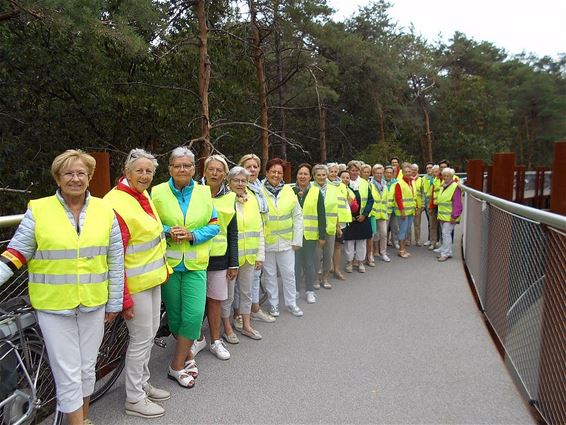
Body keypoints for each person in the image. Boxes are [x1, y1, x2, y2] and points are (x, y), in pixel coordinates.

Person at [0, 150, 123, 425]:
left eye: (81, 173)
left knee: (86, 368)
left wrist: (114, 301)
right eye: (68, 173)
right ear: (58, 178)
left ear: (90, 178)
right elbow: (15, 254)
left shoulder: (105, 210)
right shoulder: (40, 210)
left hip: (93, 303)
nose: (75, 178)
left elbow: (116, 259)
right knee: (67, 372)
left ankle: (84, 418)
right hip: (54, 306)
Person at [104, 149, 171, 419]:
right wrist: (124, 297)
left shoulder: (141, 195)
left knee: (150, 333)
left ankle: (142, 382)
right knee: (141, 339)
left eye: (149, 171)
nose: (145, 176)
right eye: (139, 171)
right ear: (127, 172)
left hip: (151, 279)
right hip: (134, 285)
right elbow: (115, 255)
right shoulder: (116, 202)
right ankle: (134, 398)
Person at [151, 147, 219, 387]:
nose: (182, 169)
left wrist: (192, 234)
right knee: (177, 318)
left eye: (187, 166)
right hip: (168, 265)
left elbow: (215, 225)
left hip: (195, 264)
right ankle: (186, 356)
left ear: (193, 169)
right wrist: (168, 231)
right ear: (170, 168)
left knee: (193, 316)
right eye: (177, 165)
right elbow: (149, 224)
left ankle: (175, 366)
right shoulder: (156, 192)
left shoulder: (203, 192)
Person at [201, 155, 238, 360]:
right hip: (194, 254)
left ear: (225, 175)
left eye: (219, 170)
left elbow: (233, 232)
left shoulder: (230, 196)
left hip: (219, 258)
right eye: (211, 169)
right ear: (204, 171)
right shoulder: (194, 191)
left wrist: (233, 263)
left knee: (215, 300)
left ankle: (216, 341)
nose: (215, 173)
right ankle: (197, 339)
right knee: (196, 302)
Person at [221, 166, 265, 340]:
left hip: (249, 255)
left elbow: (259, 229)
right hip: (230, 257)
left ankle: (246, 325)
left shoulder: (253, 199)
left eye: (243, 181)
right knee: (229, 295)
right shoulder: (224, 199)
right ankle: (227, 327)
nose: (240, 184)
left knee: (247, 292)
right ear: (229, 181)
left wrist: (260, 255)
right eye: (236, 180)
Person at [262, 158, 304, 317]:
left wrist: (297, 240)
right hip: (267, 242)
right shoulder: (259, 190)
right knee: (270, 276)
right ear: (266, 172)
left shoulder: (289, 191)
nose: (276, 175)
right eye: (273, 171)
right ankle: (273, 305)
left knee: (289, 274)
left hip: (286, 242)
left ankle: (291, 303)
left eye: (279, 172)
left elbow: (298, 216)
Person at [237, 153, 275, 324]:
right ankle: (240, 314)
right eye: (248, 166)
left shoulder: (259, 187)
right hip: (244, 243)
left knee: (255, 278)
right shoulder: (242, 189)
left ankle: (254, 308)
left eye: (255, 166)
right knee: (243, 282)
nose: (252, 170)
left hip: (258, 239)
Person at [293, 163, 326, 305]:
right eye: (300, 173)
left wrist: (322, 235)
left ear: (310, 177)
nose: (303, 176)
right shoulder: (290, 191)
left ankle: (310, 291)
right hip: (294, 235)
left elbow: (321, 214)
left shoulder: (316, 192)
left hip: (310, 235)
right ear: (297, 176)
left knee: (309, 263)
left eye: (306, 174)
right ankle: (294, 290)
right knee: (295, 264)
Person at [342, 160, 374, 273]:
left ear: (359, 171)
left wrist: (364, 215)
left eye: (356, 170)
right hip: (349, 218)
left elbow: (370, 200)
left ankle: (360, 262)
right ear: (348, 171)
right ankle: (349, 262)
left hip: (363, 218)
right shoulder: (344, 184)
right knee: (349, 242)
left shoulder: (365, 183)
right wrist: (348, 216)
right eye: (352, 170)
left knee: (362, 242)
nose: (354, 172)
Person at [313, 164, 339, 289]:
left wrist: (338, 226)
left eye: (324, 175)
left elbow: (337, 209)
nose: (322, 177)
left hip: (330, 227)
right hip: (316, 228)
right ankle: (316, 278)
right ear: (314, 176)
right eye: (319, 175)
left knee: (328, 254)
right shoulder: (310, 188)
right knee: (317, 255)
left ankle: (325, 277)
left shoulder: (334, 188)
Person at [434, 168, 462, 261]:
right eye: (444, 175)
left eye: (447, 176)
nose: (445, 177)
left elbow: (457, 203)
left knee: (446, 234)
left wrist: (454, 216)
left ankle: (445, 253)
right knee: (445, 234)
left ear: (452, 176)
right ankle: (447, 251)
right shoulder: (444, 185)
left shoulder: (455, 186)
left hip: (450, 216)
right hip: (443, 216)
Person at [329, 164, 350, 281]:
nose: (333, 173)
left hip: (341, 221)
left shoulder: (342, 185)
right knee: (326, 246)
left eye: (335, 171)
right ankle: (326, 269)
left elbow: (348, 202)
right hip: (330, 221)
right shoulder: (325, 186)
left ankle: (337, 269)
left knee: (337, 246)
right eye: (331, 171)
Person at [394, 162, 416, 259]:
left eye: (409, 171)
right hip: (403, 212)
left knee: (407, 230)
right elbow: (398, 198)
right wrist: (402, 211)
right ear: (402, 173)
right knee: (402, 230)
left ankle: (404, 249)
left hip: (410, 211)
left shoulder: (411, 182)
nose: (408, 173)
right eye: (406, 171)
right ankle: (401, 250)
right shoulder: (399, 183)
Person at [370, 164, 391, 262]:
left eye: (381, 173)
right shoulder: (370, 185)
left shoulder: (385, 185)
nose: (379, 175)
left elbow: (386, 200)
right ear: (373, 173)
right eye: (377, 173)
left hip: (383, 213)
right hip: (373, 214)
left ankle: (383, 253)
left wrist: (386, 210)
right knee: (374, 234)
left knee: (384, 234)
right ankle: (373, 252)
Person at [428, 165, 442, 251]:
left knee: (441, 226)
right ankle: (433, 242)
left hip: (442, 206)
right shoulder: (434, 180)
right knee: (433, 225)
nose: (434, 174)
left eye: (436, 172)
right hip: (434, 206)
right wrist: (430, 207)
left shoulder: (443, 180)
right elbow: (432, 195)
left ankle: (440, 243)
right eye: (433, 172)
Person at [384, 165, 399, 249]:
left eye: (390, 173)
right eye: (387, 172)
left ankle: (395, 242)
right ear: (384, 173)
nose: (389, 174)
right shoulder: (381, 183)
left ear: (393, 174)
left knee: (395, 227)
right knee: (384, 229)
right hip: (385, 209)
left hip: (395, 209)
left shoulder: (396, 183)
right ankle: (384, 243)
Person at [410, 164, 424, 247]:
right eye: (412, 169)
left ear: (417, 170)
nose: (413, 171)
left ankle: (417, 240)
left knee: (417, 225)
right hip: (409, 205)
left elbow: (423, 193)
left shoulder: (421, 180)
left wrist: (423, 205)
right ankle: (408, 240)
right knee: (408, 225)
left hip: (418, 206)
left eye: (415, 169)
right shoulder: (408, 179)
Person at [422, 162, 435, 246]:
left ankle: (435, 240)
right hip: (427, 203)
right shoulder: (424, 178)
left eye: (430, 167)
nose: (429, 169)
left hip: (434, 203)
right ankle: (430, 239)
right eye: (427, 168)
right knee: (430, 222)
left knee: (434, 223)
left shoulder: (436, 177)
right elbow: (422, 191)